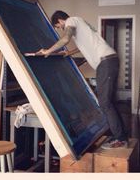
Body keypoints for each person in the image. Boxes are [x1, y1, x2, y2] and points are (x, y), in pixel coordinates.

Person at [36, 10, 128, 149]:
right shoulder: (80, 21)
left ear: (60, 21)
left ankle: (120, 139)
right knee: (107, 102)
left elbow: (66, 38)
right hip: (108, 61)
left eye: (58, 26)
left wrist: (48, 51)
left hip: (106, 63)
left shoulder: (71, 21)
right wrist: (69, 52)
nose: (60, 29)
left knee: (104, 103)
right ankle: (122, 135)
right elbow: (84, 45)